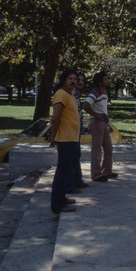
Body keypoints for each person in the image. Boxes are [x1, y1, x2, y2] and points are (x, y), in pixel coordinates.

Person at [48, 69, 80, 213]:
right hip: (65, 139)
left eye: (75, 79)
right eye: (70, 79)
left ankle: (61, 198)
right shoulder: (61, 94)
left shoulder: (70, 94)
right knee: (62, 172)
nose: (73, 81)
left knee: (65, 170)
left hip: (72, 138)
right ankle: (57, 205)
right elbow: (55, 118)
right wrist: (53, 136)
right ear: (63, 80)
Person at [83, 71, 117, 182]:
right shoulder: (94, 93)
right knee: (97, 149)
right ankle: (96, 174)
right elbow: (85, 106)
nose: (107, 81)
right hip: (96, 123)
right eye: (105, 79)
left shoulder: (105, 92)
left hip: (104, 123)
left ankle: (107, 171)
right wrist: (97, 115)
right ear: (99, 82)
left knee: (108, 148)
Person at [64, 71, 89, 193]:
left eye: (82, 80)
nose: (79, 82)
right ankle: (71, 185)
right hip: (70, 129)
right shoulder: (69, 93)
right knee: (72, 157)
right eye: (77, 80)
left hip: (77, 127)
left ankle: (77, 181)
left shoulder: (76, 93)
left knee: (76, 156)